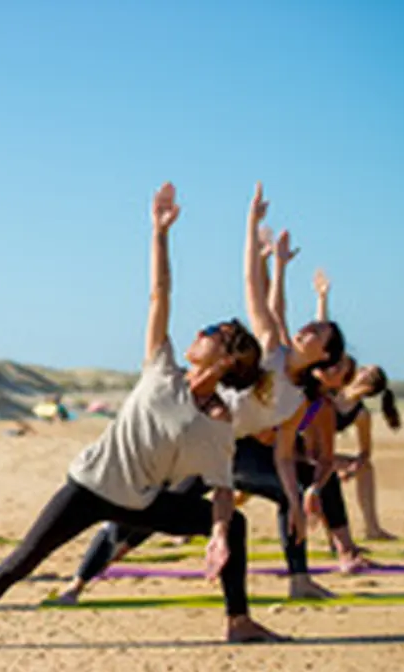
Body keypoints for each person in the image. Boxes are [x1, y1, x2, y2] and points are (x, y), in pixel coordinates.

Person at [0, 183, 284, 651]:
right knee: (23, 560)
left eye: (214, 332)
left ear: (225, 361)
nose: (201, 331)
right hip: (89, 486)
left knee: (235, 525)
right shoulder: (162, 369)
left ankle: (238, 621)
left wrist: (218, 534)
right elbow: (160, 294)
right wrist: (159, 234)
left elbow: (221, 488)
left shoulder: (217, 420)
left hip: (138, 502)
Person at [52, 183, 350, 605]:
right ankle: (79, 582)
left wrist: (297, 501)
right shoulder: (269, 347)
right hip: (193, 433)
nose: (308, 328)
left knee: (287, 492)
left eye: (317, 333)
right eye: (312, 325)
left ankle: (298, 579)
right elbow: (254, 285)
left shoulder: (299, 399)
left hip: (230, 450)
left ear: (323, 356)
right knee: (143, 514)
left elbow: (284, 455)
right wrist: (252, 224)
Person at [310, 270, 403, 542]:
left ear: (369, 386)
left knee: (365, 469)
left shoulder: (360, 414)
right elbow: (323, 339)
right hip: (301, 450)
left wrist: (350, 468)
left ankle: (372, 528)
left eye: (367, 372)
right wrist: (322, 298)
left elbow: (365, 454)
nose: (361, 371)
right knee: (241, 491)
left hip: (322, 456)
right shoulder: (332, 386)